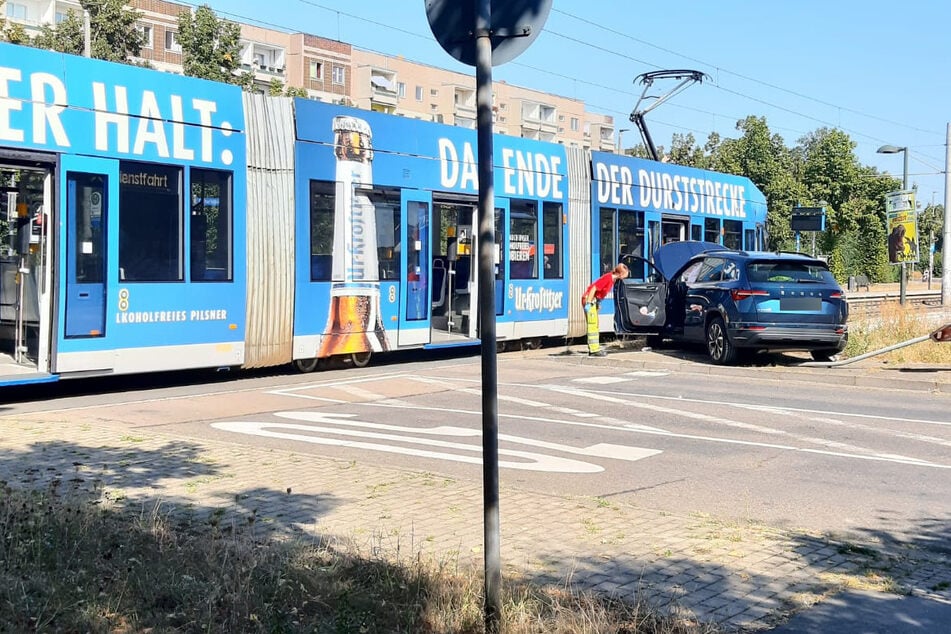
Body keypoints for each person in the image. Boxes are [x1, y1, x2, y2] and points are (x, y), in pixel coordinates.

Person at [582, 263, 629, 356]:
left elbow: (599, 292)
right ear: (620, 274)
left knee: (595, 324)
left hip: (593, 301)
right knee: (592, 325)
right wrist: (588, 303)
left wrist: (598, 303)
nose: (624, 279)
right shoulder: (608, 278)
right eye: (624, 276)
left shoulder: (611, 280)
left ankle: (594, 348)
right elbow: (594, 288)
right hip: (590, 300)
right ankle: (594, 350)